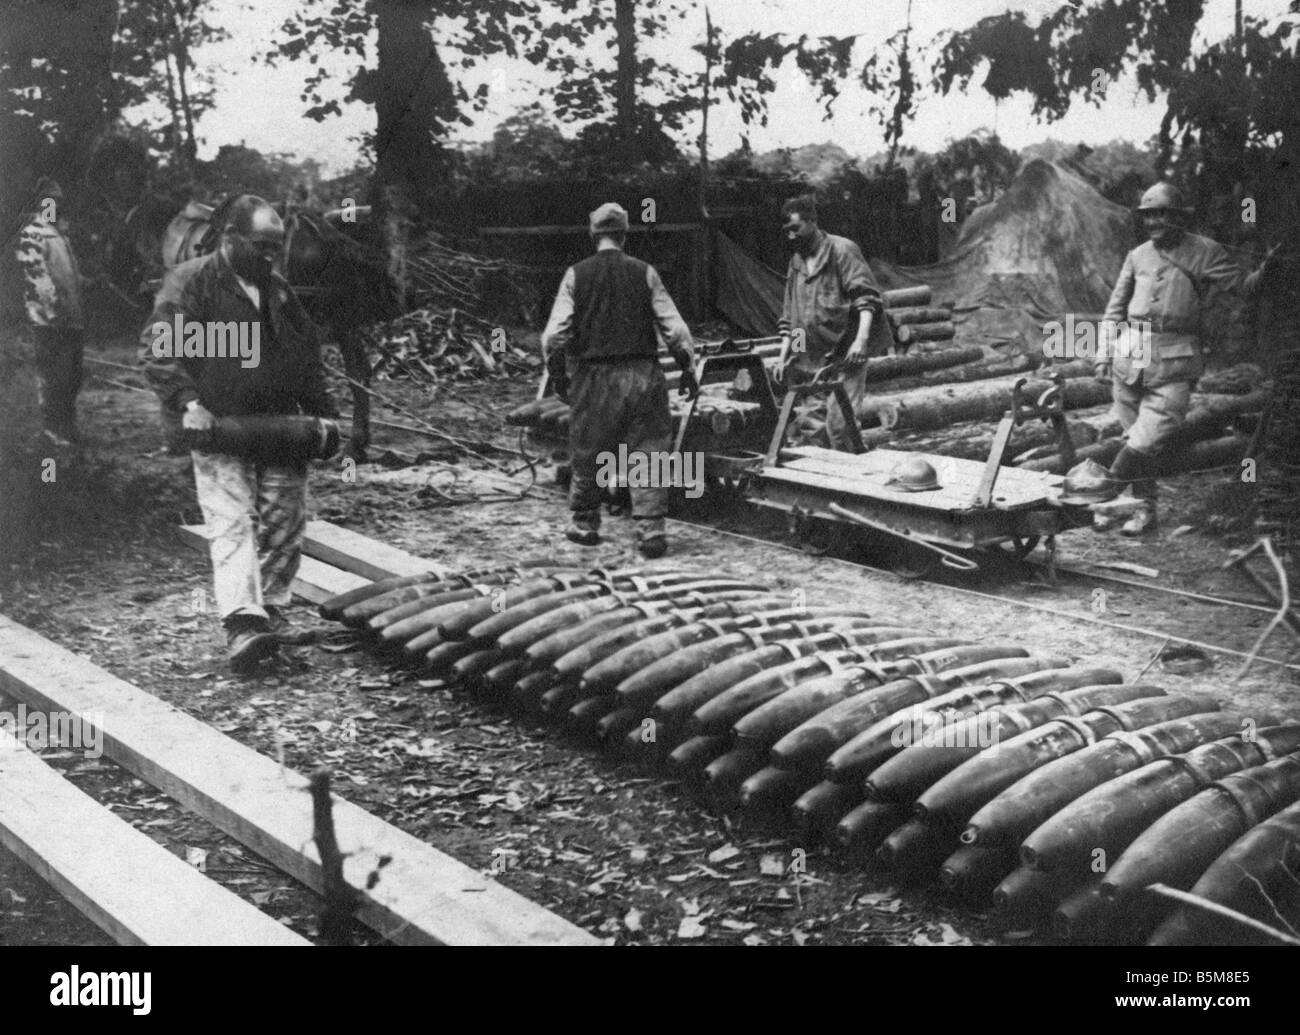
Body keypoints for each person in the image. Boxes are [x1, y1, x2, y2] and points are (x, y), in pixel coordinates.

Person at [140, 195, 338, 673]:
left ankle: (270, 614)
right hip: (218, 423)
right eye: (260, 246)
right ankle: (242, 625)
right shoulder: (193, 283)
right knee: (232, 519)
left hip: (276, 422)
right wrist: (190, 404)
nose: (269, 256)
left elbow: (305, 357)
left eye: (275, 247)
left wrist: (323, 414)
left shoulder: (278, 291)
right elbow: (159, 351)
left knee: (285, 519)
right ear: (229, 239)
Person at [1096, 182, 1269, 536]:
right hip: (1128, 359)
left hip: (1175, 361)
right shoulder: (1137, 255)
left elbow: (1244, 288)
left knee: (1147, 439)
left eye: (1162, 214)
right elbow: (1115, 309)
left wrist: (1269, 267)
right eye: (1148, 215)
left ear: (1179, 217)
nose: (1154, 222)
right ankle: (1144, 512)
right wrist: (1103, 353)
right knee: (1135, 440)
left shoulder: (1205, 252)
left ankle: (1101, 492)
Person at [540, 202, 698, 558]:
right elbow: (675, 329)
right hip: (643, 374)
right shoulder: (645, 272)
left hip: (594, 377)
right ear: (625, 234)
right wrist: (687, 368)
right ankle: (651, 532)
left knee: (590, 450)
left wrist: (557, 372)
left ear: (592, 233)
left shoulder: (575, 275)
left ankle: (585, 525)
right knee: (649, 450)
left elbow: (554, 336)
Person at [775, 194, 893, 451]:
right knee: (810, 428)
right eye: (786, 231)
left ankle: (850, 486)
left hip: (846, 355)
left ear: (813, 222)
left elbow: (866, 299)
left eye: (796, 228)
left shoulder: (842, 250)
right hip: (810, 358)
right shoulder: (796, 261)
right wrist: (786, 353)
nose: (791, 236)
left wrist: (861, 342)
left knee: (840, 429)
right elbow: (792, 313)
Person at [15, 178, 85, 446]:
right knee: (53, 375)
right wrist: (53, 310)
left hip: (71, 319)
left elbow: (70, 275)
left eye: (57, 202)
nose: (52, 206)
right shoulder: (33, 233)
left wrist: (86, 282)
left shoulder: (59, 234)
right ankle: (52, 430)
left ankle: (66, 426)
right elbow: (37, 276)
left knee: (72, 376)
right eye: (48, 200)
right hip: (49, 321)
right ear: (40, 202)